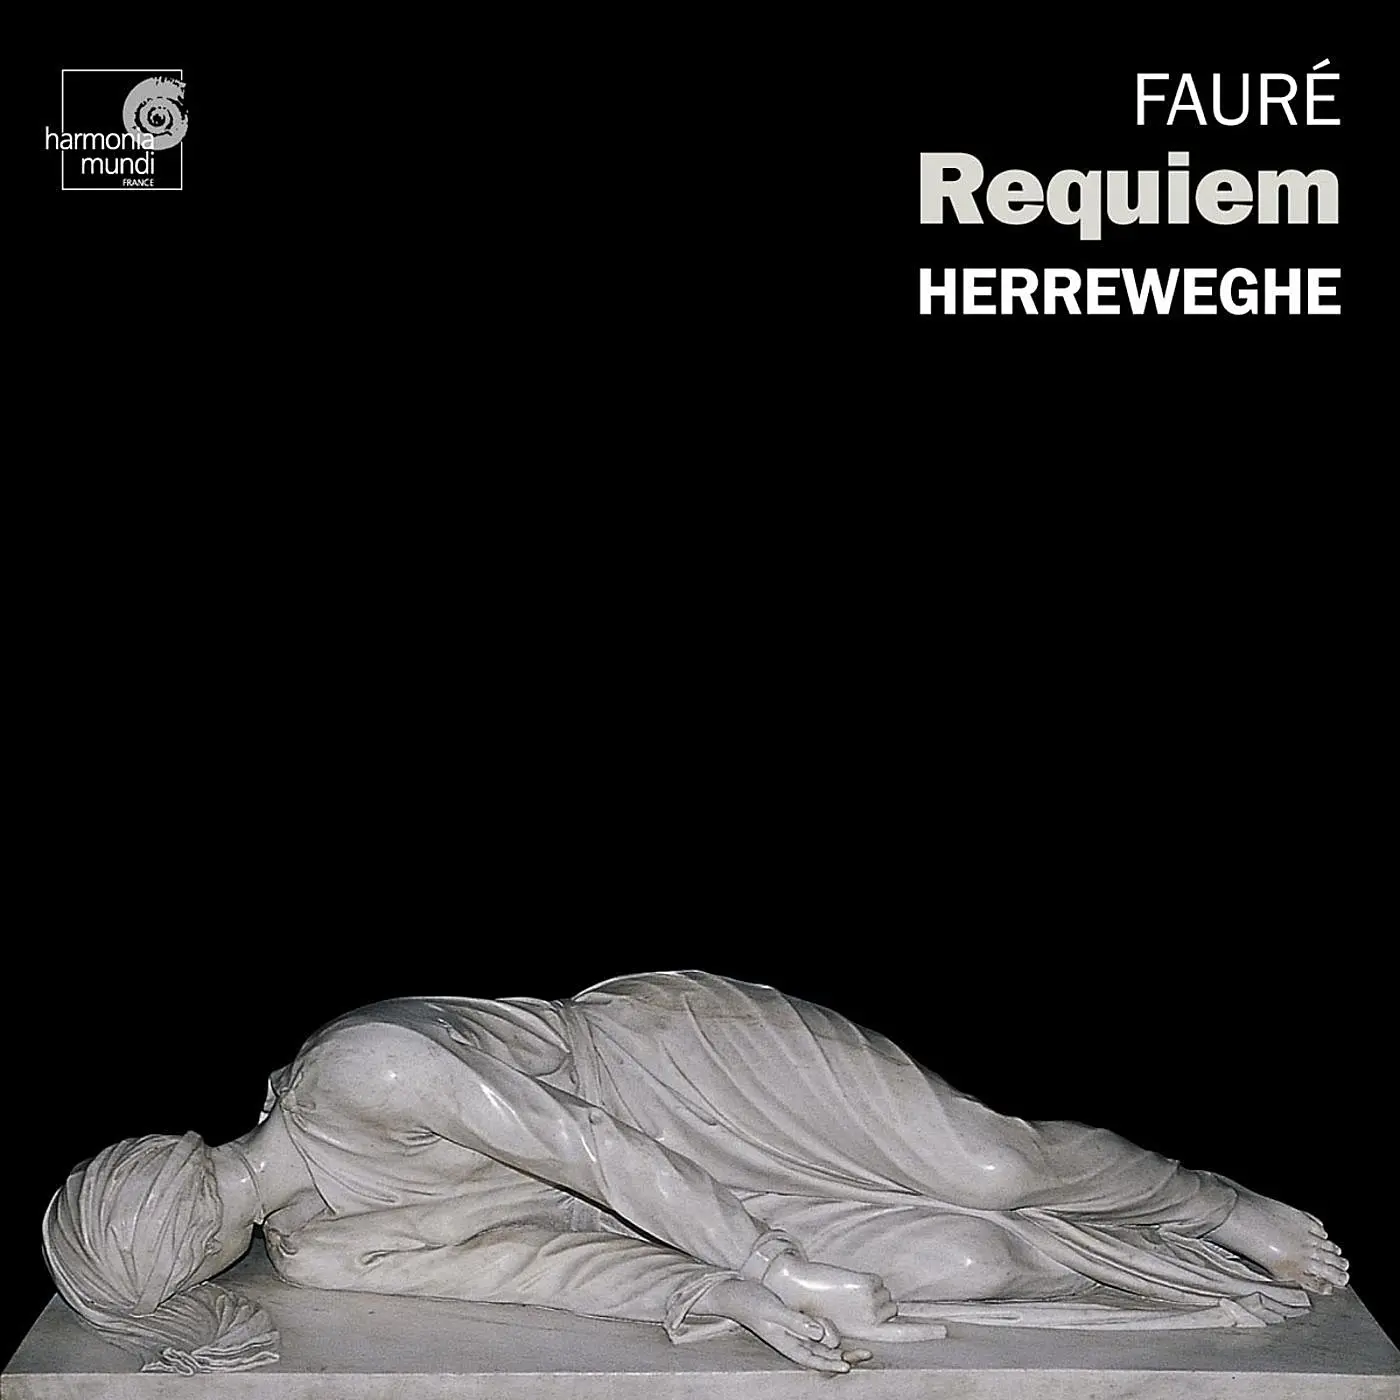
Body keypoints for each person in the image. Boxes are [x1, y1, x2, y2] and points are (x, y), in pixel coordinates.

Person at [42, 971, 1350, 1375]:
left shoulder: (360, 1071)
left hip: (674, 1073)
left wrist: (774, 1265)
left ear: (181, 1235)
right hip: (682, 1221)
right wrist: (722, 1294)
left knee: (988, 1164)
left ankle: (1210, 1203)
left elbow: (588, 1147)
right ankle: (1146, 1257)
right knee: (969, 1259)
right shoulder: (325, 1250)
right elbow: (549, 1264)